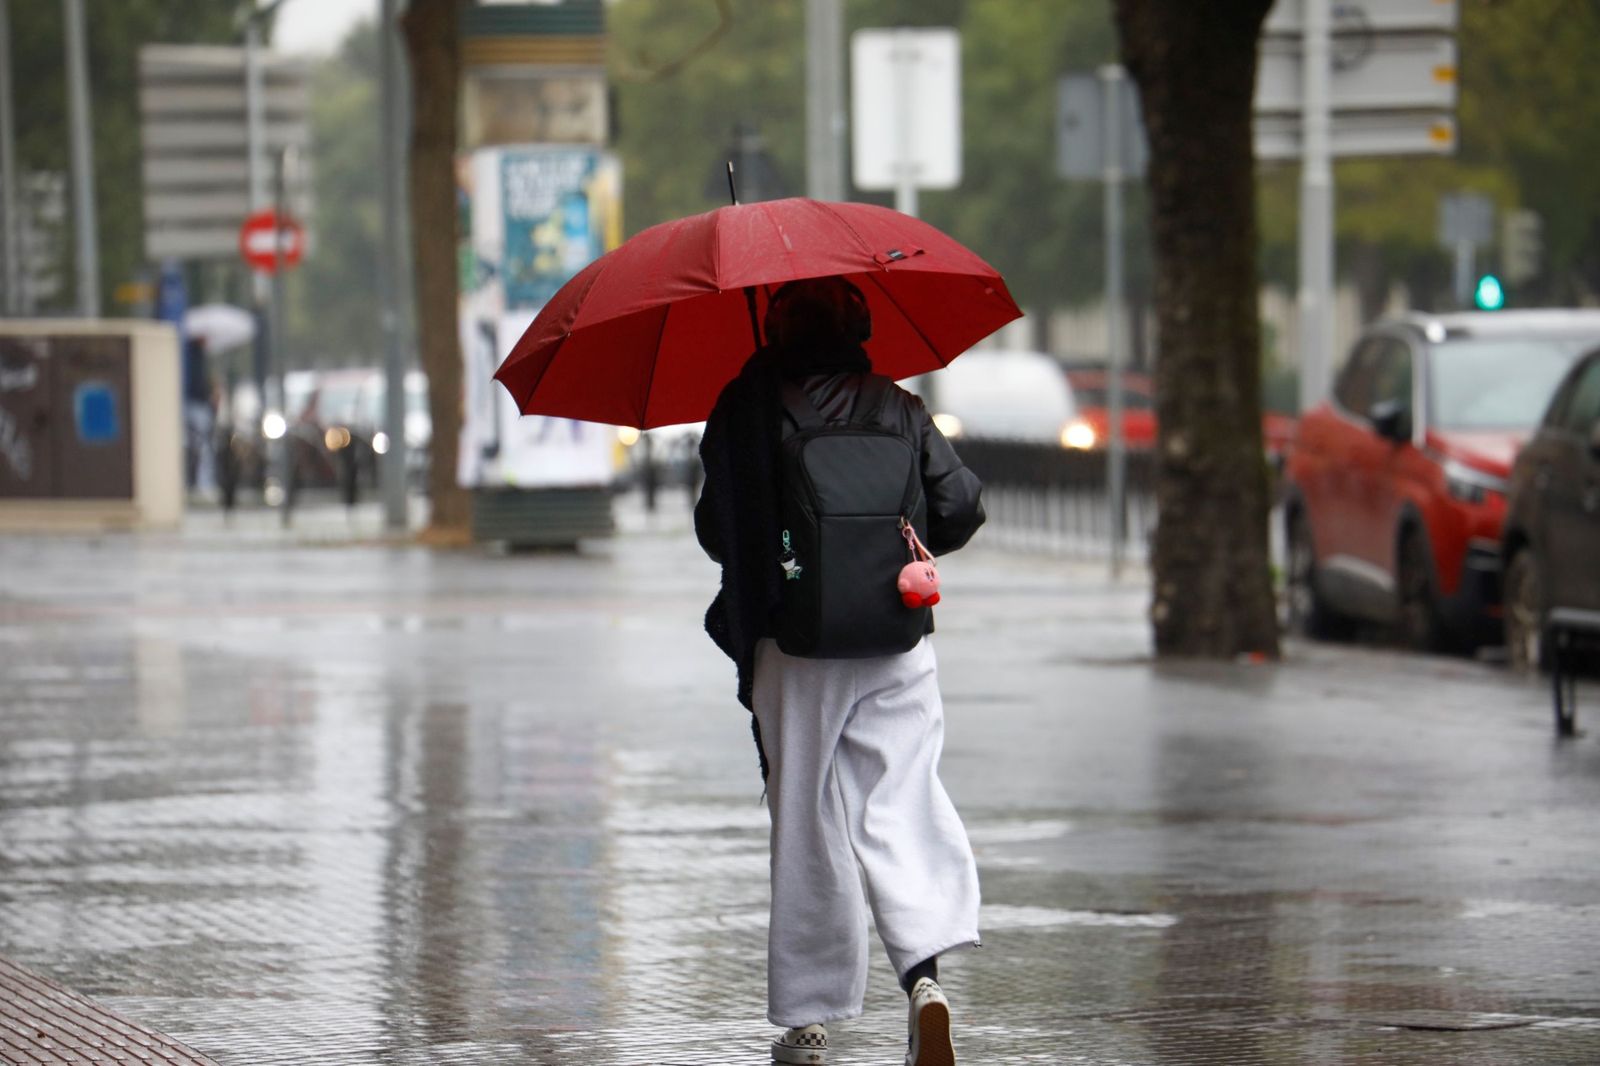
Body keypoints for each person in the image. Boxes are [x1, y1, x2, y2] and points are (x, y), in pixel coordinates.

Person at [694, 277, 987, 1066]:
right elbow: (959, 508)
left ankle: (809, 1018)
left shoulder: (748, 408)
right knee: (901, 799)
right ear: (857, 325)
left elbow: (717, 533)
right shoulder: (898, 405)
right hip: (897, 633)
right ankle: (924, 978)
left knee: (808, 819)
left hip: (796, 650)